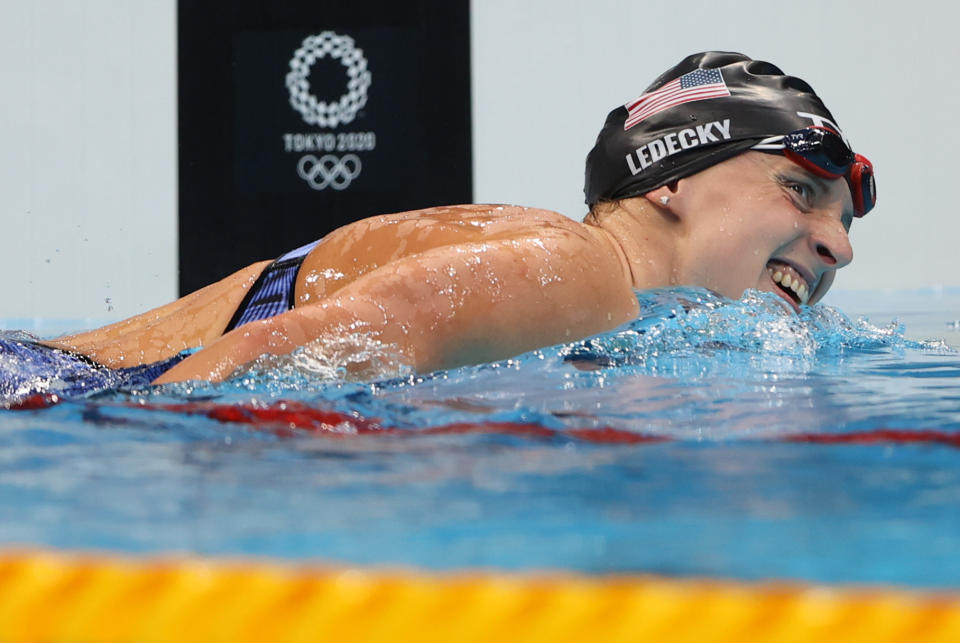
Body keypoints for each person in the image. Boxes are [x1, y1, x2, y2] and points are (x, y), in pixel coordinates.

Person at [38, 51, 875, 386]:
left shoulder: (578, 283)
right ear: (670, 180)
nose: (837, 243)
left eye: (844, 219)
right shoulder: (581, 273)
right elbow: (262, 354)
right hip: (63, 398)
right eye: (800, 192)